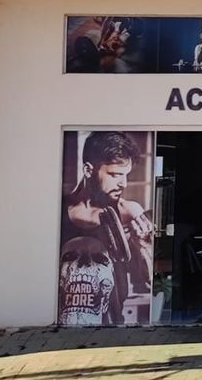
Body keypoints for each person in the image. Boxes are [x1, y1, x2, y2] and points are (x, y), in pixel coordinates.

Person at [60, 131, 153, 325]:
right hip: (62, 324)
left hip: (110, 327)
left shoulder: (129, 212)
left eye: (126, 175)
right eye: (115, 175)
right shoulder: (58, 209)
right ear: (88, 170)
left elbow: (151, 282)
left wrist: (144, 244)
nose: (123, 184)